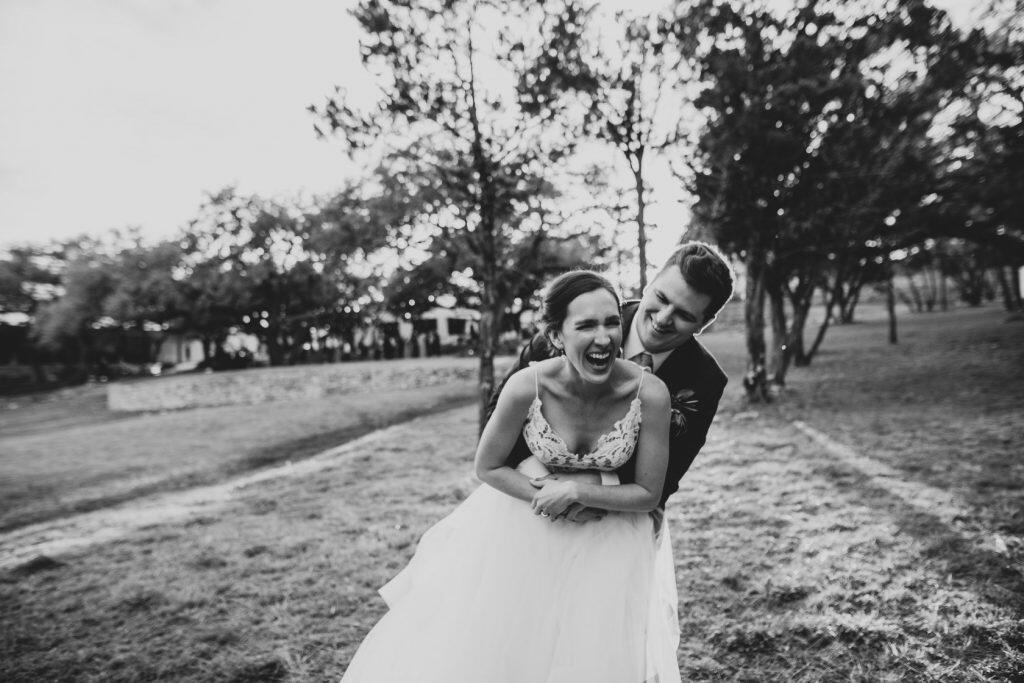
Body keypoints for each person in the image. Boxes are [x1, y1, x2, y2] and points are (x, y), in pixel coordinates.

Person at [341, 271, 680, 683]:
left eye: (611, 322)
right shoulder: (526, 385)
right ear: (556, 335)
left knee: (592, 649)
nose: (605, 337)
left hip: (609, 531)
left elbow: (648, 493)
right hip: (522, 522)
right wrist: (549, 496)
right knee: (506, 641)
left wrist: (577, 492)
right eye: (586, 325)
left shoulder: (651, 393)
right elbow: (487, 466)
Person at [488, 241, 735, 528]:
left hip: (614, 518)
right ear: (649, 283)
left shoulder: (705, 381)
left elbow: (666, 477)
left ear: (704, 323)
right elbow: (499, 414)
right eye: (662, 298)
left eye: (684, 315)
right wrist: (547, 491)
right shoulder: (569, 325)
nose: (664, 318)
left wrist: (588, 489)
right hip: (530, 499)